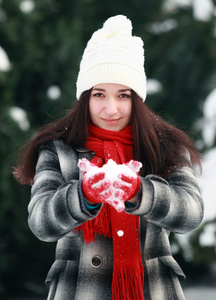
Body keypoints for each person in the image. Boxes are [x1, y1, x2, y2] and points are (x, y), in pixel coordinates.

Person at [14, 15, 204, 300]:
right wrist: (83, 195)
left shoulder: (166, 147)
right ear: (85, 98)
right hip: (78, 291)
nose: (111, 109)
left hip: (154, 291)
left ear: (137, 99)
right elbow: (40, 223)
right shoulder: (58, 149)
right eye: (100, 94)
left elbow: (190, 213)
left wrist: (141, 192)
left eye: (123, 95)